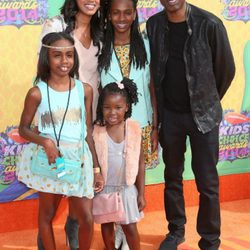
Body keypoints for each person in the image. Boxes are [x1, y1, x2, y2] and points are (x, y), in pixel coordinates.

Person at [146, 1, 235, 250]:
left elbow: (226, 70)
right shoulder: (154, 25)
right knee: (171, 176)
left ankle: (209, 240)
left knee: (207, 183)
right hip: (170, 116)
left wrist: (205, 100)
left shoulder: (210, 24)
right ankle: (175, 231)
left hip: (203, 117)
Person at [17, 32, 104, 250]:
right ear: (47, 58)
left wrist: (96, 168)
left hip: (78, 158)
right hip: (51, 160)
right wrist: (45, 142)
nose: (64, 62)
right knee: (46, 215)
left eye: (69, 55)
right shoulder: (37, 93)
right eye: (57, 56)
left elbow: (87, 131)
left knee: (86, 218)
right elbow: (23, 129)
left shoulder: (84, 90)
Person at [39, 1, 104, 248]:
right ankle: (45, 243)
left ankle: (72, 233)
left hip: (85, 125)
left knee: (79, 190)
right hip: (58, 124)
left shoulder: (101, 30)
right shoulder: (56, 25)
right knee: (52, 193)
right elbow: (45, 71)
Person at [99, 0, 158, 247]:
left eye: (127, 12)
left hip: (139, 123)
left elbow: (152, 85)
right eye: (115, 13)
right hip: (110, 126)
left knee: (132, 178)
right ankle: (114, 225)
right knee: (111, 177)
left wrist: (155, 125)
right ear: (109, 15)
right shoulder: (100, 45)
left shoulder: (145, 44)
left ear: (135, 14)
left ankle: (125, 227)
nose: (121, 18)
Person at [93, 78, 146, 250]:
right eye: (107, 107)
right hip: (105, 188)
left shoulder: (134, 129)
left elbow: (141, 164)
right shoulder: (97, 131)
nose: (112, 112)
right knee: (106, 226)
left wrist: (141, 194)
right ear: (101, 107)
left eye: (118, 107)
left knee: (130, 228)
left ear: (127, 107)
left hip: (127, 189)